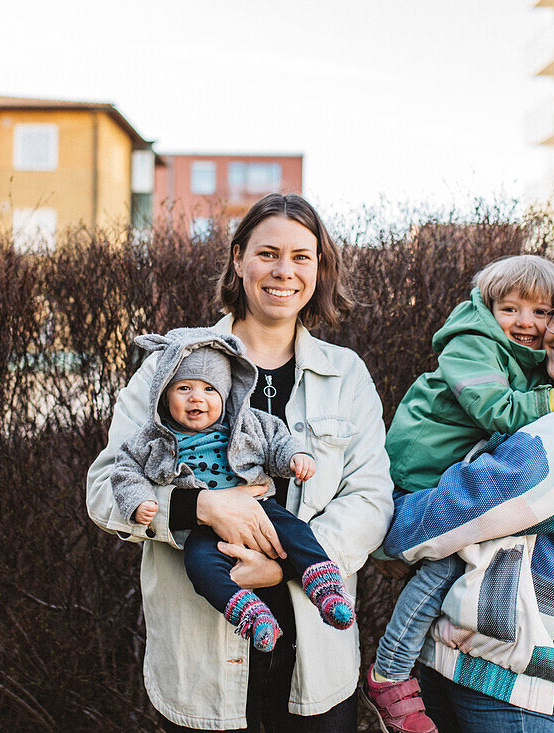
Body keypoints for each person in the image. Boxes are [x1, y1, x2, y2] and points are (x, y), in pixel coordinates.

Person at [86, 193, 393, 732]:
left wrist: (286, 567)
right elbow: (105, 491)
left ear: (320, 268)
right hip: (203, 664)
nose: (284, 271)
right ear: (238, 259)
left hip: (315, 663)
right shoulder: (172, 365)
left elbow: (369, 500)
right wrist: (199, 506)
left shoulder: (345, 375)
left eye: (302, 256)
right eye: (268, 253)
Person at [362, 256, 554, 733]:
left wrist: (376, 528)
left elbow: (469, 503)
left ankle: (387, 670)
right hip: (458, 661)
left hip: (508, 683)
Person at [110, 328, 355, 654]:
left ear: (225, 395)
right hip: (202, 528)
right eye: (184, 388)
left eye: (209, 389)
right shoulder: (154, 437)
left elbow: (278, 442)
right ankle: (251, 616)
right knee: (199, 565)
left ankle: (326, 588)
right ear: (163, 394)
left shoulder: (247, 423)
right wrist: (138, 499)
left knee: (297, 533)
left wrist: (296, 457)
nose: (196, 398)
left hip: (261, 507)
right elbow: (124, 469)